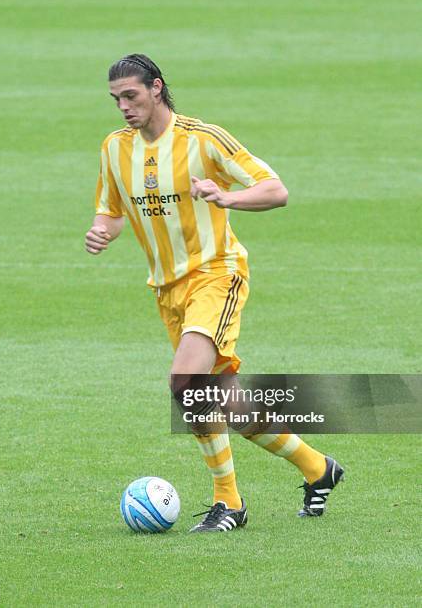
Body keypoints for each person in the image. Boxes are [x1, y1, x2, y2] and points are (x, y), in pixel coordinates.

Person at [85, 54, 344, 532]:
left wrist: (229, 198)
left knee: (186, 385)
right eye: (116, 99)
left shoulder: (203, 139)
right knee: (219, 400)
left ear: (157, 88)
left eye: (131, 96)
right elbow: (112, 209)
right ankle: (318, 468)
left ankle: (230, 503)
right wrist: (103, 231)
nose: (123, 106)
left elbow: (275, 190)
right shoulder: (114, 148)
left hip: (216, 275)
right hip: (167, 290)